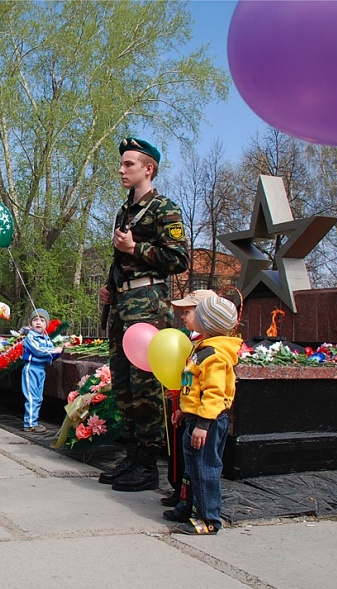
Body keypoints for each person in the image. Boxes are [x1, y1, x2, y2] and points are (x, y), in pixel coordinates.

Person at [98, 137, 189, 492]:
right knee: (123, 385)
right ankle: (134, 455)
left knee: (145, 386)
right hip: (123, 305)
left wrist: (137, 247)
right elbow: (120, 260)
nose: (121, 170)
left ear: (148, 168)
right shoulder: (124, 211)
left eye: (129, 165)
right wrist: (110, 286)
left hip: (148, 304)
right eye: (121, 165)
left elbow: (178, 259)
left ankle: (149, 464)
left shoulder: (164, 208)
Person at [168, 296, 242, 535]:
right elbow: (195, 387)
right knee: (192, 468)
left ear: (208, 322)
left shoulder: (214, 355)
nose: (192, 317)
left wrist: (203, 424)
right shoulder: (201, 349)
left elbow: (214, 393)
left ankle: (208, 519)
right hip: (195, 418)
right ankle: (188, 507)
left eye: (197, 314)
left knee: (204, 469)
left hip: (207, 422)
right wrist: (183, 409)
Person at [162, 289, 218, 513]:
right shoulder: (193, 343)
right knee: (185, 460)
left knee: (200, 466)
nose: (183, 317)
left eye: (188, 312)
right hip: (187, 409)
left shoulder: (212, 349)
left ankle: (202, 512)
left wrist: (202, 422)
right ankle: (183, 497)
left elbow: (211, 388)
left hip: (203, 416)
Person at [21, 308, 64, 433]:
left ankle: (34, 421)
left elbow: (50, 356)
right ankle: (29, 424)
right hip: (31, 368)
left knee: (38, 398)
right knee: (31, 396)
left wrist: (61, 350)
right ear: (31, 324)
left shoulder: (46, 338)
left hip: (41, 369)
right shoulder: (30, 337)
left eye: (41, 320)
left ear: (46, 325)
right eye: (35, 320)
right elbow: (38, 351)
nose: (38, 322)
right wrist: (53, 351)